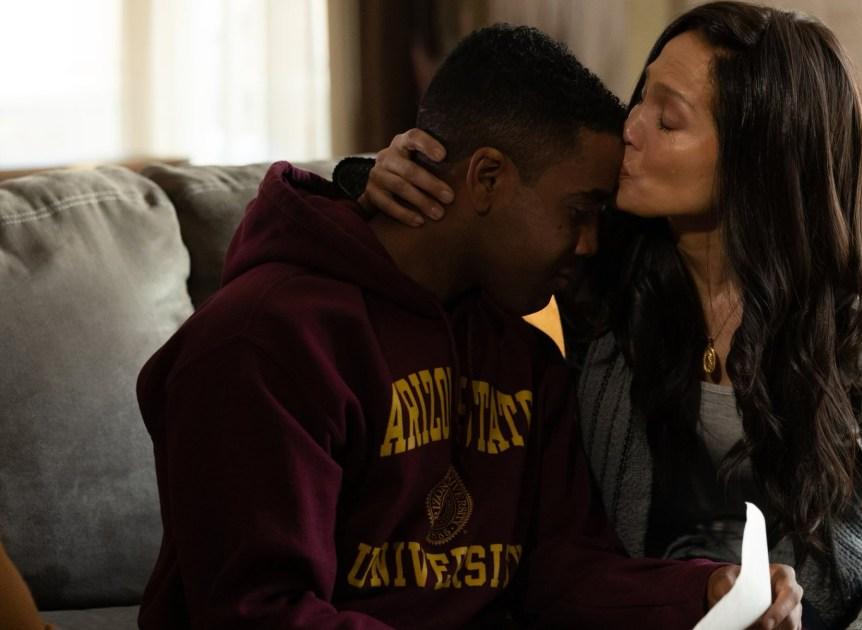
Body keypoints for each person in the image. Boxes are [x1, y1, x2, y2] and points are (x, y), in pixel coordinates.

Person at [348, 2, 862, 629]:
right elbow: (472, 229)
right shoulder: (601, 258)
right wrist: (370, 180)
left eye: (667, 121)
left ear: (759, 156)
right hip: (667, 597)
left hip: (825, 599)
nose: (630, 128)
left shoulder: (860, 298)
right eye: (641, 97)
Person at [137, 24, 801, 629]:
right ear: (486, 178)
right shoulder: (263, 343)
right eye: (579, 212)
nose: (590, 244)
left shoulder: (524, 354)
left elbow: (563, 571)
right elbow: (260, 611)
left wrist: (704, 592)